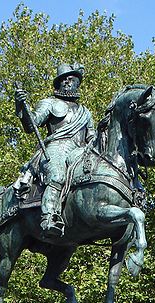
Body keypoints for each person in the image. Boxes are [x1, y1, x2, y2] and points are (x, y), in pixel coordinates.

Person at [15, 62, 95, 237]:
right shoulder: (50, 103)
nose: (67, 82)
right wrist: (21, 106)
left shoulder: (85, 112)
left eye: (71, 79)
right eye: (62, 79)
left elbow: (91, 137)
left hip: (80, 151)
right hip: (57, 147)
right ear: (58, 83)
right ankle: (49, 216)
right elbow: (32, 124)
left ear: (77, 82)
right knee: (57, 175)